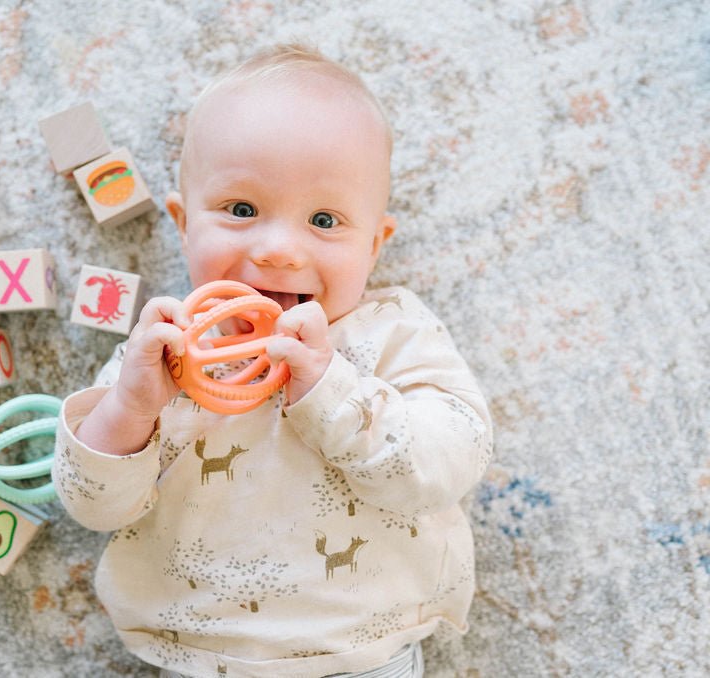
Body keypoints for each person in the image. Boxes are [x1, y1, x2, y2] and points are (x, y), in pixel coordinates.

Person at [53, 43, 493, 678]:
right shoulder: (164, 353)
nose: (280, 249)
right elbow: (91, 505)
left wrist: (332, 389)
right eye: (241, 210)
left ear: (375, 245)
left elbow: (449, 463)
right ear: (183, 224)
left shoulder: (394, 333)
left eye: (323, 219)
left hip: (364, 650)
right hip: (200, 653)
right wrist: (129, 407)